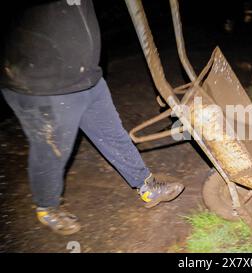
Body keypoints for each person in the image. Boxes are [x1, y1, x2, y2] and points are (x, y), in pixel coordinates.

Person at [0, 0, 184, 235]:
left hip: (88, 78)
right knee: (53, 150)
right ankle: (47, 206)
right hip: (42, 84)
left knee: (113, 135)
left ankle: (146, 185)